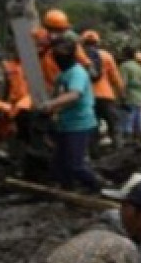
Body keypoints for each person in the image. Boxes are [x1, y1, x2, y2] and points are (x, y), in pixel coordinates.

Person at [38, 40, 101, 192]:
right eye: (56, 56)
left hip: (79, 124)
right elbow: (57, 95)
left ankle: (96, 187)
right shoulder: (63, 75)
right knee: (60, 163)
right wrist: (48, 108)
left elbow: (74, 95)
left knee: (75, 165)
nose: (58, 59)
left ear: (71, 56)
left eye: (61, 56)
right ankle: (67, 190)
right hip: (66, 123)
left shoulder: (77, 73)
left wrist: (51, 104)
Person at [80, 31, 124, 154]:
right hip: (106, 95)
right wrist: (121, 94)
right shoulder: (106, 55)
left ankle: (94, 154)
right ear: (97, 42)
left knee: (93, 126)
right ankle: (119, 151)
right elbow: (116, 78)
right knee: (114, 124)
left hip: (88, 97)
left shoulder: (81, 56)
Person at [118, 46, 141, 145]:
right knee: (140, 122)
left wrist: (122, 97)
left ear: (125, 54)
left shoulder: (125, 66)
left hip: (130, 98)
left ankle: (128, 145)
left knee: (127, 122)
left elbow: (122, 83)